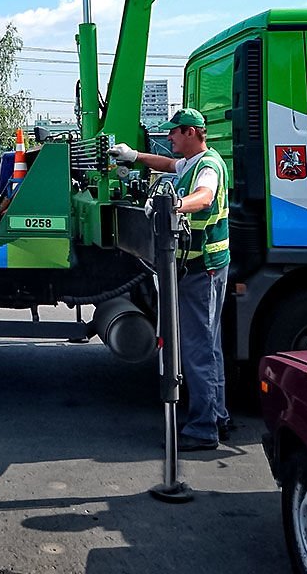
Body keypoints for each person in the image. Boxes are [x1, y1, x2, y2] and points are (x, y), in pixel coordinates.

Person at [110, 108, 231, 452]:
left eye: (174, 133)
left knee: (197, 348)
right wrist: (134, 157)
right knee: (208, 345)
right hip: (200, 268)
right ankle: (216, 415)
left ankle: (204, 427)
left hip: (200, 269)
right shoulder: (192, 162)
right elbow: (166, 165)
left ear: (191, 132)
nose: (169, 138)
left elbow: (204, 196)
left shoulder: (208, 166)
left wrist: (175, 204)